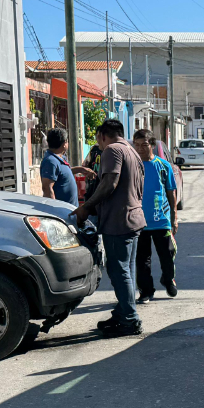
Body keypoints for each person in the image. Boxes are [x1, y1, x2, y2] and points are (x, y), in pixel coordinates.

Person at [74, 119, 145, 336]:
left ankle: (130, 319)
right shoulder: (132, 152)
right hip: (133, 219)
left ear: (103, 135)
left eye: (98, 139)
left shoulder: (112, 150)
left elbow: (109, 182)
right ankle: (124, 311)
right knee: (127, 271)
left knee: (118, 270)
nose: (99, 144)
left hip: (119, 221)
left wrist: (87, 206)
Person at [132, 129, 179, 303]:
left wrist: (174, 217)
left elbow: (170, 192)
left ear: (152, 145)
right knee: (142, 260)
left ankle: (168, 280)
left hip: (161, 220)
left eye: (143, 145)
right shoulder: (132, 166)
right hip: (139, 221)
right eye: (136, 145)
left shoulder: (163, 166)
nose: (139, 149)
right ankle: (146, 291)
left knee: (167, 253)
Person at [38, 127, 77, 204]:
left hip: (70, 210)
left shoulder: (60, 158)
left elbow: (63, 173)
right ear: (64, 143)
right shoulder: (51, 161)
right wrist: (54, 210)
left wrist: (82, 170)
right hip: (61, 213)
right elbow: (47, 188)